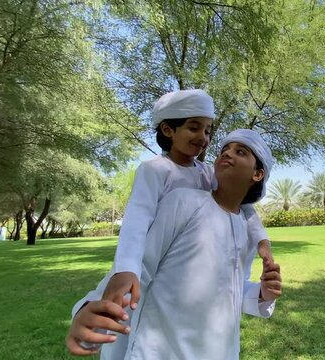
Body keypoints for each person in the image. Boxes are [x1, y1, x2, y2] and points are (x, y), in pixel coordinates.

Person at [65, 129, 282, 359]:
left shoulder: (246, 229)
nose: (226, 154)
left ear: (257, 174)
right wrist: (91, 308)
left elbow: (233, 287)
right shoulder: (183, 202)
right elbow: (137, 268)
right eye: (223, 150)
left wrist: (262, 294)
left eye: (240, 152)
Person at [100, 89, 274, 310]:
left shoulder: (206, 172)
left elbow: (244, 208)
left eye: (208, 131)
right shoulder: (154, 170)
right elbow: (137, 219)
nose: (203, 137)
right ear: (168, 129)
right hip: (152, 260)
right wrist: (126, 267)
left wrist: (262, 241)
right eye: (194, 128)